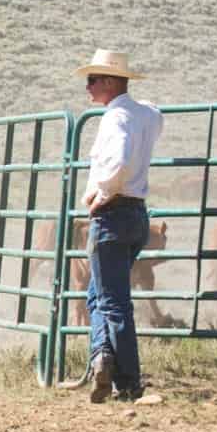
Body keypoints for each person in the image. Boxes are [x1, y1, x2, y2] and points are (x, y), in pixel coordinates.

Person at [74, 50, 162, 403]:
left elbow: (120, 162)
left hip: (112, 214)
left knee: (112, 302)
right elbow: (156, 113)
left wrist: (102, 193)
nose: (88, 86)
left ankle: (126, 379)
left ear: (110, 81)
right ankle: (102, 358)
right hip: (136, 214)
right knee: (100, 295)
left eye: (93, 80)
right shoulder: (144, 114)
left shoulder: (116, 118)